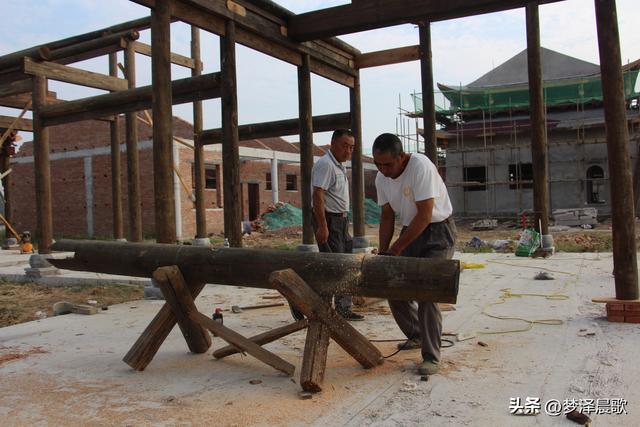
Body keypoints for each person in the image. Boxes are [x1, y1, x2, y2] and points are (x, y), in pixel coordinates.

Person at [372, 133, 456, 375]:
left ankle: (431, 356)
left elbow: (425, 215)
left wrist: (396, 248)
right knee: (393, 288)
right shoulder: (381, 177)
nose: (383, 169)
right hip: (411, 230)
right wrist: (384, 251)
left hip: (437, 232)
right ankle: (417, 334)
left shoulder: (420, 165)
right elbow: (387, 216)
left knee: (427, 294)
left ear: (402, 156)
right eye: (378, 164)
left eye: (388, 164)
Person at [291, 129, 364, 321]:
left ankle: (342, 307)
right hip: (330, 220)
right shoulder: (326, 165)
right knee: (331, 266)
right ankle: (300, 302)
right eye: (344, 146)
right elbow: (318, 195)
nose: (348, 151)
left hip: (340, 220)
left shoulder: (339, 165)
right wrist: (323, 226)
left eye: (352, 147)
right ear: (332, 144)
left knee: (344, 263)